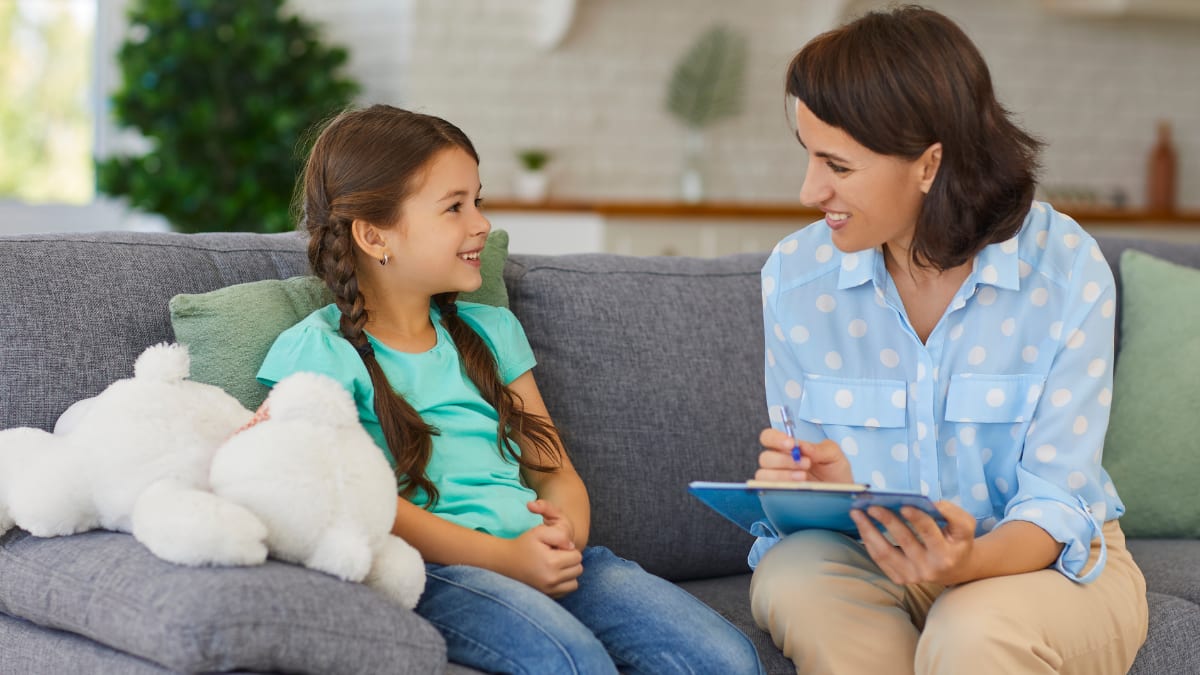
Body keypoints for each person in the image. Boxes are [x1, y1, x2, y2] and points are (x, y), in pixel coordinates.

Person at [256, 104, 764, 675]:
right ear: (375, 236)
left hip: (544, 555)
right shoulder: (318, 352)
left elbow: (554, 470)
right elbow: (355, 502)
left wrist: (560, 540)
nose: (482, 224)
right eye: (454, 207)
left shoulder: (491, 333)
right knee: (572, 662)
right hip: (440, 574)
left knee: (728, 659)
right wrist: (505, 559)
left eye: (478, 200)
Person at [751, 7, 1147, 674]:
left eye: (837, 166)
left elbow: (1056, 501)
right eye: (808, 156)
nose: (809, 190)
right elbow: (817, 486)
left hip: (1041, 562)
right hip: (872, 552)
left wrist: (966, 562)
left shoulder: (1063, 269)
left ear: (929, 164)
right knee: (794, 577)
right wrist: (821, 489)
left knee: (970, 631)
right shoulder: (795, 279)